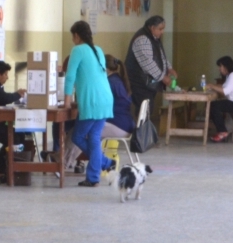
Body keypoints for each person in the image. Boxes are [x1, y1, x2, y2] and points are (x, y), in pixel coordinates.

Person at [64, 20, 115, 188]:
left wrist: (67, 101)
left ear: (76, 36)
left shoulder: (77, 50)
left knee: (78, 136)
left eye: (73, 37)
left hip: (92, 101)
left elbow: (70, 76)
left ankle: (105, 163)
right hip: (105, 99)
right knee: (93, 137)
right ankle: (94, 176)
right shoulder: (98, 50)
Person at [66, 55, 133, 173]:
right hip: (125, 124)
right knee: (82, 131)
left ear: (104, 68)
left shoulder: (109, 82)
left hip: (118, 125)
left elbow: (97, 103)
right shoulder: (118, 80)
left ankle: (65, 162)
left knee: (81, 132)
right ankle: (69, 160)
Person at [125, 15, 175, 119]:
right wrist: (163, 77)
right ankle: (141, 129)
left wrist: (169, 68)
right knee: (144, 110)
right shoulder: (142, 39)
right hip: (139, 82)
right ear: (152, 28)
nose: (162, 32)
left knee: (147, 109)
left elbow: (160, 56)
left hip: (148, 83)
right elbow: (148, 64)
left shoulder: (154, 38)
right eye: (160, 29)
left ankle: (144, 128)